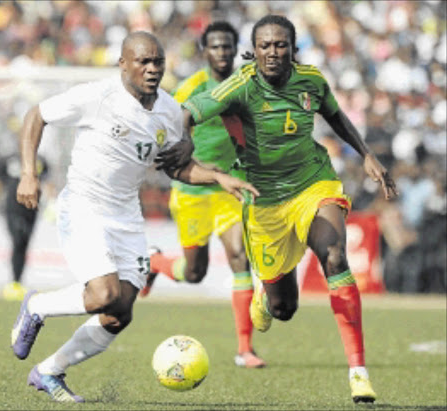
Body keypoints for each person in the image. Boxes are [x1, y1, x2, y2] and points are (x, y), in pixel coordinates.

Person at [161, 15, 398, 404]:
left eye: (281, 45)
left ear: (293, 48)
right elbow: (187, 113)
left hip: (313, 183)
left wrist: (366, 154)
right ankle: (264, 296)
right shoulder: (240, 86)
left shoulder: (311, 80)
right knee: (284, 308)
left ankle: (358, 372)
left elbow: (335, 115)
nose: (273, 52)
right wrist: (184, 142)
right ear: (254, 52)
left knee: (335, 256)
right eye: (265, 46)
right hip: (264, 201)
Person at [11, 31, 258, 403]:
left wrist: (217, 176)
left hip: (126, 215)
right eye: (143, 61)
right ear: (123, 63)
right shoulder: (97, 97)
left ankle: (49, 371)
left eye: (158, 61)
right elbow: (36, 116)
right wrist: (28, 173)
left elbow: (177, 167)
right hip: (84, 206)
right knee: (103, 294)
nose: (152, 68)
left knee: (118, 313)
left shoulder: (170, 111)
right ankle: (37, 306)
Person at [140, 21, 265, 369]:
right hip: (192, 189)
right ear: (205, 51)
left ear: (234, 48)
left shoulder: (245, 86)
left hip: (231, 186)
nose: (222, 52)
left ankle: (245, 349)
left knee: (240, 256)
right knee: (194, 274)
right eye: (216, 47)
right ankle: (155, 262)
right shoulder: (191, 88)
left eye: (228, 46)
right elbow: (171, 133)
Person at [0, 151, 52, 301]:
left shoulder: (40, 159)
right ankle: (13, 283)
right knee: (18, 240)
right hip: (12, 208)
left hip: (32, 209)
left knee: (24, 244)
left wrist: (52, 201)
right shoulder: (9, 159)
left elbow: (46, 182)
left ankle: (18, 282)